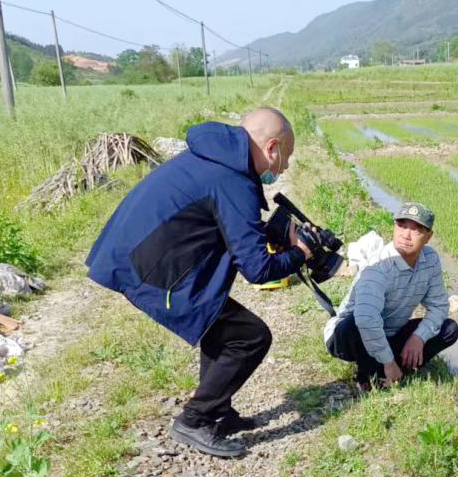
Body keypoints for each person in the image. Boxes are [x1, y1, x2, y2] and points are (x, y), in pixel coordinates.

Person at [85, 107, 313, 458]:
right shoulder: (232, 179)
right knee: (250, 337)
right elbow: (258, 270)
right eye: (287, 157)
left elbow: (226, 224)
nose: (284, 167)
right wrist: (301, 254)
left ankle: (218, 413)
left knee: (217, 322)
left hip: (138, 253)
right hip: (150, 269)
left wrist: (270, 232)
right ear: (272, 147)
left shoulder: (217, 158)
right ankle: (196, 419)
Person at [324, 202, 458, 391]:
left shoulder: (430, 260)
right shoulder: (378, 266)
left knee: (449, 329)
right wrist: (389, 362)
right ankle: (375, 372)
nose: (406, 235)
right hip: (348, 336)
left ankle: (392, 367)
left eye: (416, 230)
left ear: (428, 236)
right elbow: (366, 320)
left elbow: (439, 306)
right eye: (402, 226)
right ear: (394, 227)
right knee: (358, 321)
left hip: (390, 333)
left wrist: (419, 337)